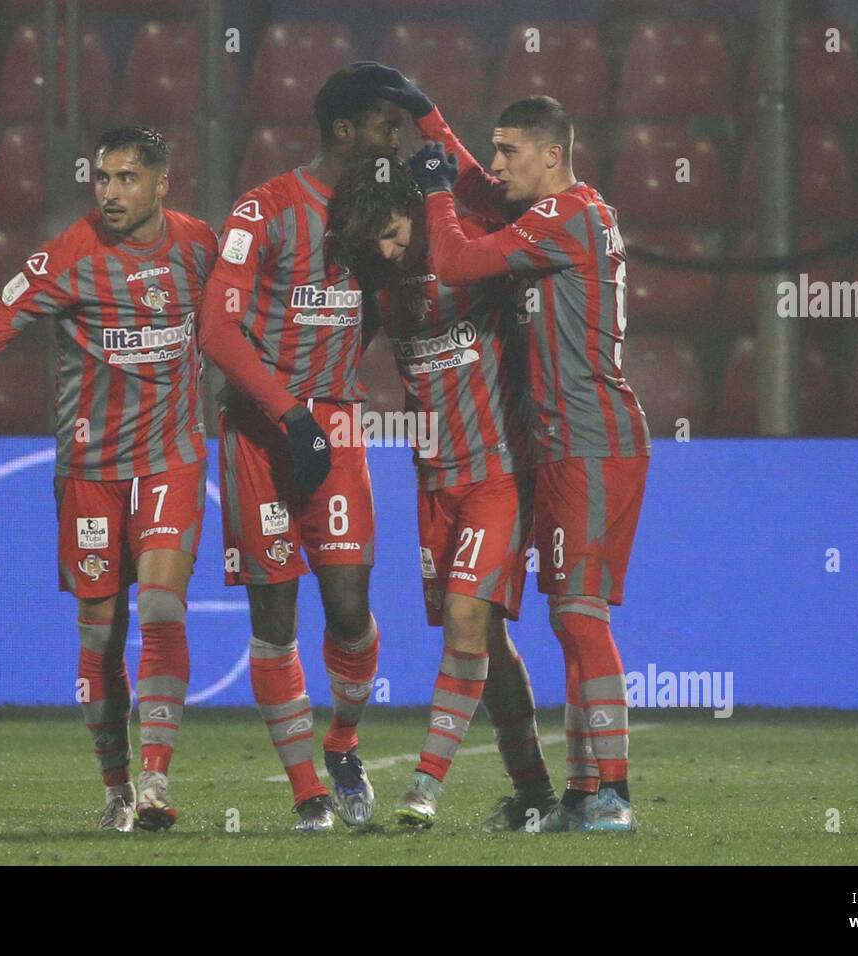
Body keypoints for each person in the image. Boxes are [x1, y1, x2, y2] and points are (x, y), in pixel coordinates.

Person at [0, 128, 217, 832]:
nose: (111, 193)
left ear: (161, 184)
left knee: (160, 606)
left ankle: (155, 778)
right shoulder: (66, 256)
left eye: (126, 179)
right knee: (99, 634)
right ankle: (117, 787)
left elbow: (245, 318)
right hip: (90, 470)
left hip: (170, 456)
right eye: (102, 178)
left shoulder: (200, 247)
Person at [381, 73, 652, 833]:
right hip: (561, 441)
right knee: (569, 613)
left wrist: (435, 196)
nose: (494, 164)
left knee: (579, 612)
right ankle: (577, 793)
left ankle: (615, 795)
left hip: (592, 437)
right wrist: (429, 116)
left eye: (508, 151)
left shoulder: (570, 214)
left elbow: (461, 260)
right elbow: (476, 184)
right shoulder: (556, 210)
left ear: (552, 155)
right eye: (492, 148)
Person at [196, 64, 408, 831]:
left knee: (350, 608)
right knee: (274, 612)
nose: (398, 138)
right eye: (388, 125)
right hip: (264, 429)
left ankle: (344, 744)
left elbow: (381, 313)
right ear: (344, 130)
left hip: (339, 426)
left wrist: (329, 394)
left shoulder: (383, 210)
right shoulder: (266, 209)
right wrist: (288, 412)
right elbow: (216, 329)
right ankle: (308, 795)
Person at [326, 155, 559, 831]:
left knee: (465, 622)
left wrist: (442, 166)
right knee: (490, 642)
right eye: (379, 242)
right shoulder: (383, 286)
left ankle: (425, 785)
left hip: (499, 472)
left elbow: (510, 209)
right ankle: (536, 793)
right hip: (434, 480)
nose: (391, 249)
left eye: (397, 232)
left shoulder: (474, 261)